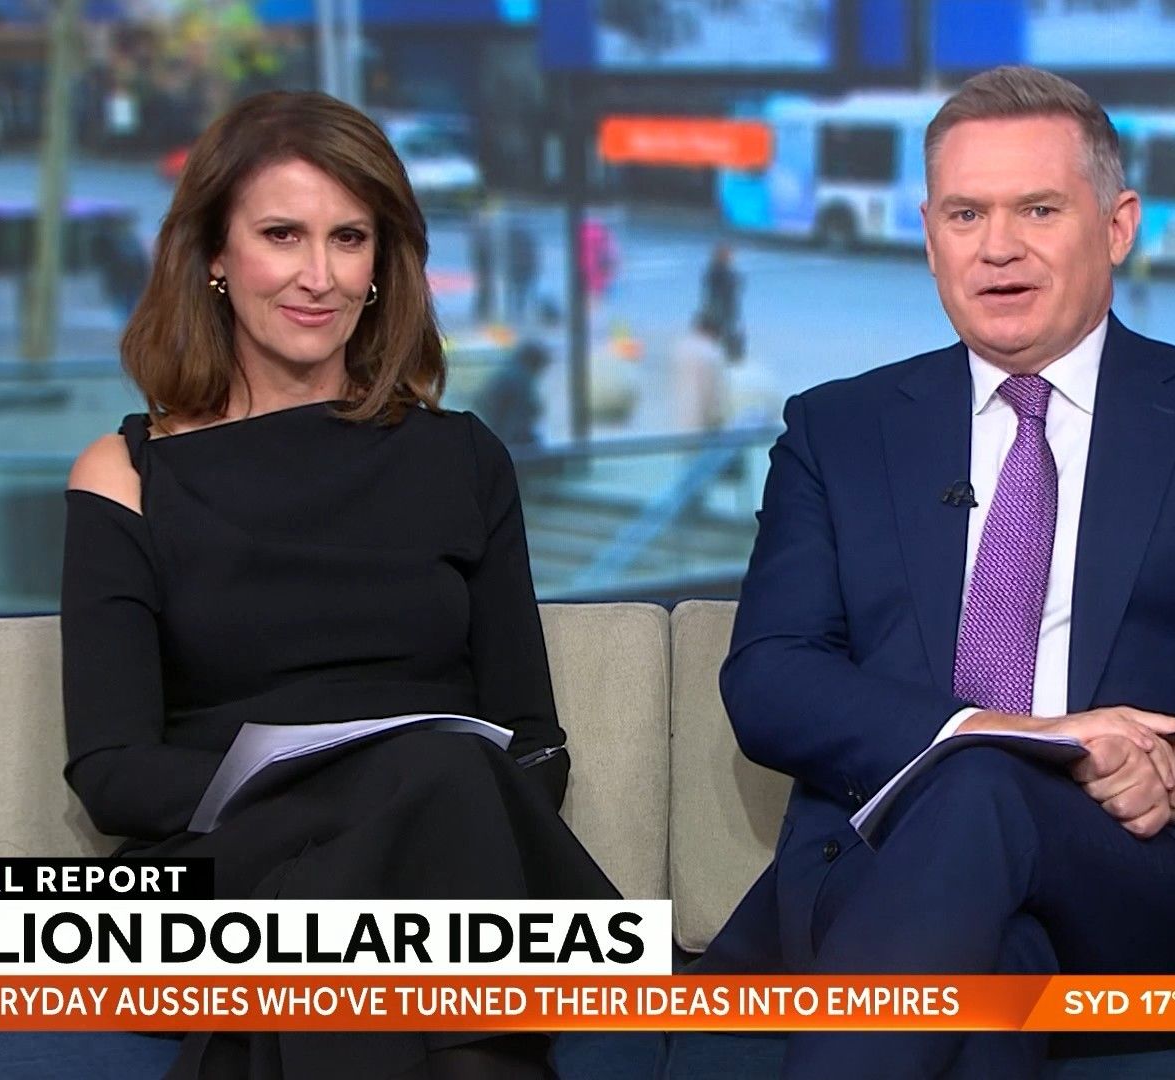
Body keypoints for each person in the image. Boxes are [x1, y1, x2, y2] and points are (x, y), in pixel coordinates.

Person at [701, 66, 1175, 1078]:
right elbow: (770, 678)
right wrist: (1007, 733)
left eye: (1038, 209)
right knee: (998, 968)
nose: (998, 247)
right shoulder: (837, 429)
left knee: (986, 794)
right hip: (882, 867)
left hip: (1134, 877)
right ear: (929, 234)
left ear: (1117, 226)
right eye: (966, 213)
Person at [60, 90, 616, 1080]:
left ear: (381, 265)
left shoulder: (464, 460)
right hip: (213, 876)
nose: (318, 276)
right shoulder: (126, 474)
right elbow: (111, 773)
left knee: (431, 815)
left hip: (435, 867)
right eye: (282, 234)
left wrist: (392, 821)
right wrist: (366, 793)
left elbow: (533, 741)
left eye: (348, 238)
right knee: (436, 785)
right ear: (215, 255)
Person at [669, 310, 729, 433]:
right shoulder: (712, 352)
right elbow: (713, 395)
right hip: (701, 425)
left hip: (677, 424)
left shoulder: (679, 348)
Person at [700, 242, 742, 343]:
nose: (730, 257)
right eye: (726, 254)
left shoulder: (720, 271)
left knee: (721, 334)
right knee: (716, 334)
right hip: (718, 310)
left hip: (723, 310)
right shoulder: (717, 271)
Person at [503, 217, 539, 325]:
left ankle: (516, 313)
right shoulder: (521, 240)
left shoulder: (512, 240)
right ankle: (516, 313)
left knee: (517, 292)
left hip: (520, 269)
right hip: (519, 269)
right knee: (517, 292)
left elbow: (531, 255)